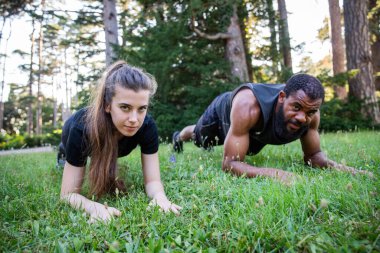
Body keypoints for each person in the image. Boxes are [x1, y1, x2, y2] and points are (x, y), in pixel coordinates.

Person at [172, 74, 372, 183]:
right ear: (282, 97)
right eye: (296, 107)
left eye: (310, 112)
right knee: (200, 138)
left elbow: (314, 156)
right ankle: (178, 137)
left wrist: (349, 170)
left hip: (250, 130)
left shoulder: (311, 114)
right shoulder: (248, 107)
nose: (303, 117)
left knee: (248, 148)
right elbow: (230, 163)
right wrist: (276, 174)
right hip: (223, 110)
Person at [59, 61, 182, 223]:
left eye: (141, 109)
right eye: (125, 107)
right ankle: (62, 157)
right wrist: (93, 207)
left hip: (113, 146)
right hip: (72, 140)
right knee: (65, 160)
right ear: (107, 105)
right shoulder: (80, 129)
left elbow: (153, 181)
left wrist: (160, 197)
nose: (134, 119)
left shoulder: (147, 127)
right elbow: (67, 194)